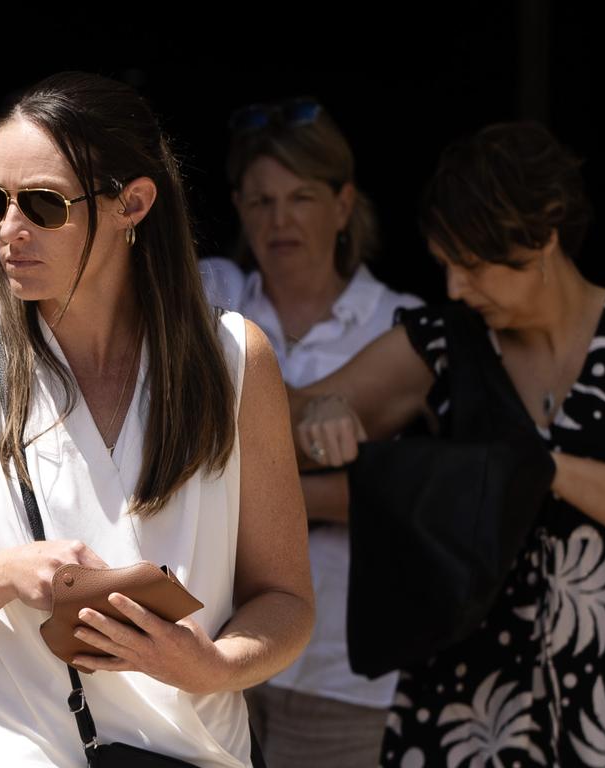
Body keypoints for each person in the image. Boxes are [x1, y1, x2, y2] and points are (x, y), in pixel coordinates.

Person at [0, 71, 314, 768]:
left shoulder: (236, 359)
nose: (8, 228)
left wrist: (217, 666)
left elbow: (287, 600)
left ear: (132, 203)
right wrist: (1, 576)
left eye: (43, 205)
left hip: (187, 753)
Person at [293, 121, 605, 766]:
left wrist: (541, 468)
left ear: (544, 233)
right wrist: (321, 410)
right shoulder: (445, 341)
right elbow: (283, 424)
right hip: (465, 699)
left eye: (475, 265)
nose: (458, 289)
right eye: (446, 266)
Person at [199, 98, 421, 767]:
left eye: (300, 196)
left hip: (342, 664)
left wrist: (241, 475)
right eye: (260, 200)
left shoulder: (402, 324)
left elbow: (411, 500)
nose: (280, 218)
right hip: (210, 645)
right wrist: (330, 482)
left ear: (344, 202)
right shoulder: (211, 296)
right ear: (238, 206)